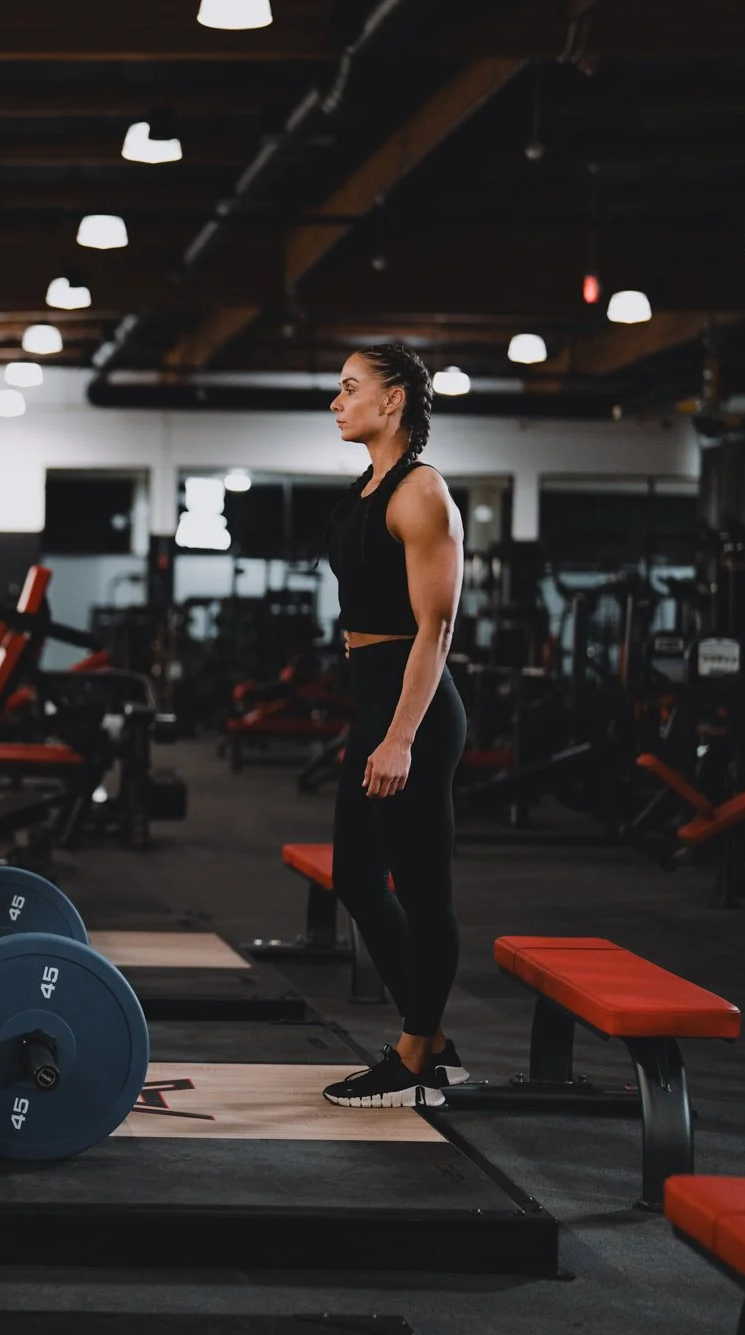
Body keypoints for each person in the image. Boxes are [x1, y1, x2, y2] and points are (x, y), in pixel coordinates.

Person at [317, 343, 469, 1108]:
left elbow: (434, 629)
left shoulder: (420, 494)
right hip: (374, 696)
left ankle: (417, 1054)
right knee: (354, 877)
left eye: (350, 388)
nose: (336, 402)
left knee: (419, 879)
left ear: (396, 398)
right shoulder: (367, 488)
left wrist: (402, 736)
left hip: (416, 706)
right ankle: (433, 1040)